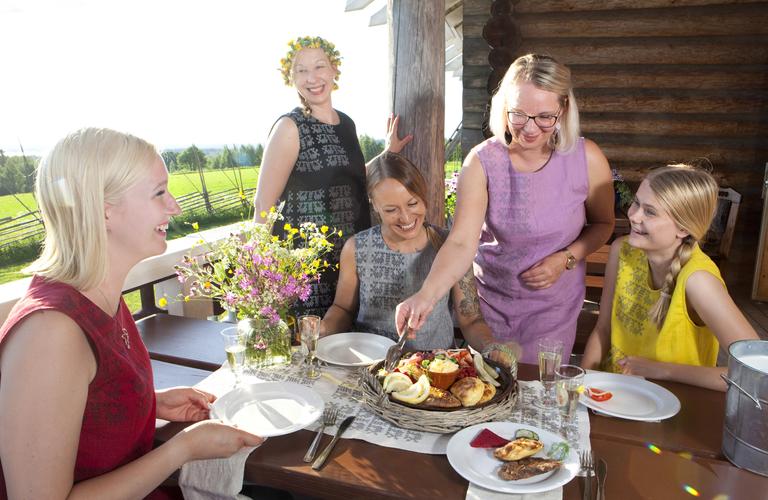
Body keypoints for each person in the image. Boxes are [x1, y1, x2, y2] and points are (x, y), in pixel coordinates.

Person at [0, 128, 263, 499]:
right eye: (159, 192)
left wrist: (151, 403)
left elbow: (87, 407)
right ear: (105, 210)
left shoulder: (100, 295)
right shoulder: (49, 333)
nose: (175, 206)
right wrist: (183, 448)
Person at [395, 53, 615, 364]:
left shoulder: (587, 158)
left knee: (537, 391)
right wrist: (425, 296)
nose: (529, 128)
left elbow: (603, 224)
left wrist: (567, 258)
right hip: (491, 308)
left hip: (553, 310)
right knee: (487, 390)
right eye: (519, 114)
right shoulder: (482, 161)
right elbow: (460, 242)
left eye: (544, 117)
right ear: (504, 107)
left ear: (563, 109)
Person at [253, 36, 410, 319]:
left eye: (320, 67)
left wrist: (387, 153)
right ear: (291, 78)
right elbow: (264, 202)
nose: (312, 78)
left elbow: (349, 178)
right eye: (301, 70)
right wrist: (262, 274)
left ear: (334, 70)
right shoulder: (290, 127)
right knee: (311, 344)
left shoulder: (347, 123)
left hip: (350, 256)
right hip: (307, 266)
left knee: (347, 341)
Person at [321, 152, 519, 363]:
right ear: (374, 204)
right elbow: (342, 308)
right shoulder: (355, 248)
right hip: (370, 365)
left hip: (437, 369)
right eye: (391, 209)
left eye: (413, 204)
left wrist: (490, 347)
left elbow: (470, 318)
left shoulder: (449, 247)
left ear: (423, 196)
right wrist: (322, 330)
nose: (405, 217)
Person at [581, 165, 758, 391]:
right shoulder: (622, 250)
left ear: (684, 228)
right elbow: (603, 329)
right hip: (612, 395)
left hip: (678, 408)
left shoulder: (699, 281)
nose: (633, 215)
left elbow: (754, 375)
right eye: (636, 203)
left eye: (650, 212)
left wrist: (660, 370)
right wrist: (582, 387)